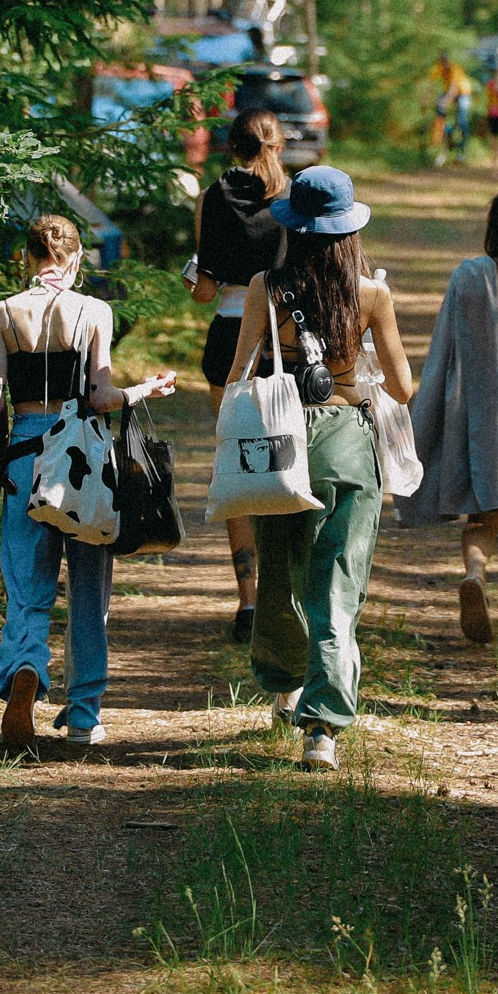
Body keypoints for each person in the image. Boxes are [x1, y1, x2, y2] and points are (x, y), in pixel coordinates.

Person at [222, 165, 414, 771]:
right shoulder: (372, 294)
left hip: (281, 439)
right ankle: (322, 730)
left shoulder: (265, 287)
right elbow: (404, 388)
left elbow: (238, 373)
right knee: (338, 581)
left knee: (280, 570)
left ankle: (285, 688)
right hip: (347, 443)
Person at [0, 215, 177, 748]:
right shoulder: (93, 312)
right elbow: (102, 396)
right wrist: (144, 391)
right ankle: (83, 715)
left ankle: (27, 664)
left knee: (28, 590)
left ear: (27, 259)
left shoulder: (1, 314)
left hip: (24, 457)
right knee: (89, 591)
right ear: (77, 259)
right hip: (82, 459)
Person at [396, 187, 498, 642]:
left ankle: (475, 575)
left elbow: (448, 350)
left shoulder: (471, 279)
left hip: (483, 410)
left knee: (483, 514)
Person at [189, 108, 290, 643]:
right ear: (278, 145)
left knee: (238, 464)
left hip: (229, 339)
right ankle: (283, 591)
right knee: (283, 461)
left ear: (232, 147)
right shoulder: (295, 199)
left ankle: (248, 603)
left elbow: (205, 289)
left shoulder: (212, 197)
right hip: (284, 341)